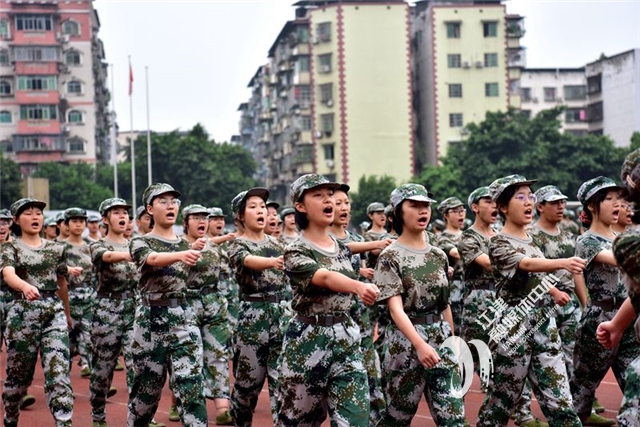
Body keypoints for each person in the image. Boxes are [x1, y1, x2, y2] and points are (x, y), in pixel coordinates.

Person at [476, 175, 585, 427]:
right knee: (503, 401)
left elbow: (539, 275)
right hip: (513, 325)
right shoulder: (498, 243)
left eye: (530, 196)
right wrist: (562, 263)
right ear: (503, 207)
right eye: (520, 197)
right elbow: (525, 264)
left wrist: (553, 291)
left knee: (561, 402)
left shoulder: (533, 241)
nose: (528, 202)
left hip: (544, 323)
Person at [277, 174, 379, 426]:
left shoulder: (342, 248)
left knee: (355, 419)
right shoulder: (295, 250)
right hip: (308, 340)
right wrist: (357, 285)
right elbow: (322, 277)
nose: (329, 200)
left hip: (345, 337)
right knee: (298, 421)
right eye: (318, 195)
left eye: (330, 195)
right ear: (300, 206)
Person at [373, 183, 464, 426]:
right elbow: (395, 309)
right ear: (398, 213)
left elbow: (445, 305)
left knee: (454, 418)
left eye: (426, 206)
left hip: (440, 337)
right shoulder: (390, 256)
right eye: (414, 206)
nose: (423, 211)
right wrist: (420, 345)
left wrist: (452, 340)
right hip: (405, 344)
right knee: (397, 418)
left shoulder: (438, 255)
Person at [128, 183, 208, 426]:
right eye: (163, 201)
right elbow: (151, 259)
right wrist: (181, 254)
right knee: (146, 395)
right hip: (151, 319)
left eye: (174, 201)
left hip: (183, 317)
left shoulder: (187, 245)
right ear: (150, 209)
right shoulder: (141, 242)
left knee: (192, 389)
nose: (170, 205)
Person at [570, 176, 640, 426]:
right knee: (582, 391)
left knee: (636, 382)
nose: (617, 205)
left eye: (619, 199)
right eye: (609, 199)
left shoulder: (623, 238)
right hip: (599, 320)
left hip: (628, 319)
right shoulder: (586, 241)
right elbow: (621, 260)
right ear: (591, 206)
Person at [1, 198, 74, 427]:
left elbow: (61, 281)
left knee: (59, 374)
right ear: (15, 220)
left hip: (54, 312)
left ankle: (64, 422)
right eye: (28, 213)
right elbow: (8, 274)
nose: (35, 217)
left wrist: (67, 313)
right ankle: (10, 417)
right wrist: (24, 286)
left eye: (38, 213)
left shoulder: (56, 248)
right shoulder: (9, 247)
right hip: (23, 313)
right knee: (18, 379)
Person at [228, 188, 291, 426]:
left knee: (283, 385)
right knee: (247, 388)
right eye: (253, 207)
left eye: (262, 206)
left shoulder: (279, 244)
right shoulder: (237, 245)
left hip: (281, 316)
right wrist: (272, 262)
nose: (260, 211)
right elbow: (248, 261)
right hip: (252, 319)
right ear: (241, 216)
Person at [328, 184, 387, 425]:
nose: (343, 208)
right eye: (338, 203)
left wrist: (362, 271)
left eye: (346, 203)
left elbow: (352, 266)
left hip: (360, 320)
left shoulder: (355, 238)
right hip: (332, 324)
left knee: (372, 378)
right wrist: (376, 245)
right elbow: (337, 255)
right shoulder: (323, 239)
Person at [180, 204, 233, 425]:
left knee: (218, 354)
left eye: (204, 218)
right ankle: (180, 404)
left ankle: (222, 409)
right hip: (186, 304)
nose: (202, 221)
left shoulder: (214, 247)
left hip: (213, 304)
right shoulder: (178, 246)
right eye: (196, 218)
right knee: (189, 358)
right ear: (185, 222)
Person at [89, 197, 137, 427]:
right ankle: (98, 415)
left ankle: (139, 417)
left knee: (137, 366)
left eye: (125, 213)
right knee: (103, 370)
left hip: (134, 310)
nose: (122, 216)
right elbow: (106, 257)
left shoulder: (137, 243)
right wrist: (128, 255)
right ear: (105, 219)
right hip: (107, 310)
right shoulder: (98, 245)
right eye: (116, 213)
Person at [456, 186, 498, 398]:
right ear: (475, 207)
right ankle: (454, 408)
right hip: (479, 300)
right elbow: (489, 264)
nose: (494, 205)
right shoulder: (468, 237)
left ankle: (521, 411)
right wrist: (520, 264)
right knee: (471, 353)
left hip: (502, 299)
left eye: (495, 201)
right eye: (488, 202)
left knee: (504, 354)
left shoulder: (500, 235)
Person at [0, 208, 38, 411]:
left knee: (18, 348)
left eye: (5, 222)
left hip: (16, 302)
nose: (2, 226)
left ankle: (19, 392)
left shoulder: (18, 246)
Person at [63, 207, 95, 378]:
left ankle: (98, 384)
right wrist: (67, 270)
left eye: (81, 221)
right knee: (67, 347)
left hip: (88, 300)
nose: (78, 224)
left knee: (92, 341)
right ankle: (63, 387)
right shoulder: (61, 247)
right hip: (68, 299)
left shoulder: (91, 246)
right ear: (67, 224)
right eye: (74, 221)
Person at [436, 197, 466, 335]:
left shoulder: (468, 236)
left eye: (462, 210)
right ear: (446, 216)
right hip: (455, 287)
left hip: (472, 286)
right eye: (456, 211)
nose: (461, 214)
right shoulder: (443, 238)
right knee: (456, 328)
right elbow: (457, 253)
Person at [364, 202, 386, 269]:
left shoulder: (389, 233)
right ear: (371, 216)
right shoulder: (368, 235)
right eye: (379, 213)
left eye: (384, 213)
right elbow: (375, 252)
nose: (382, 216)